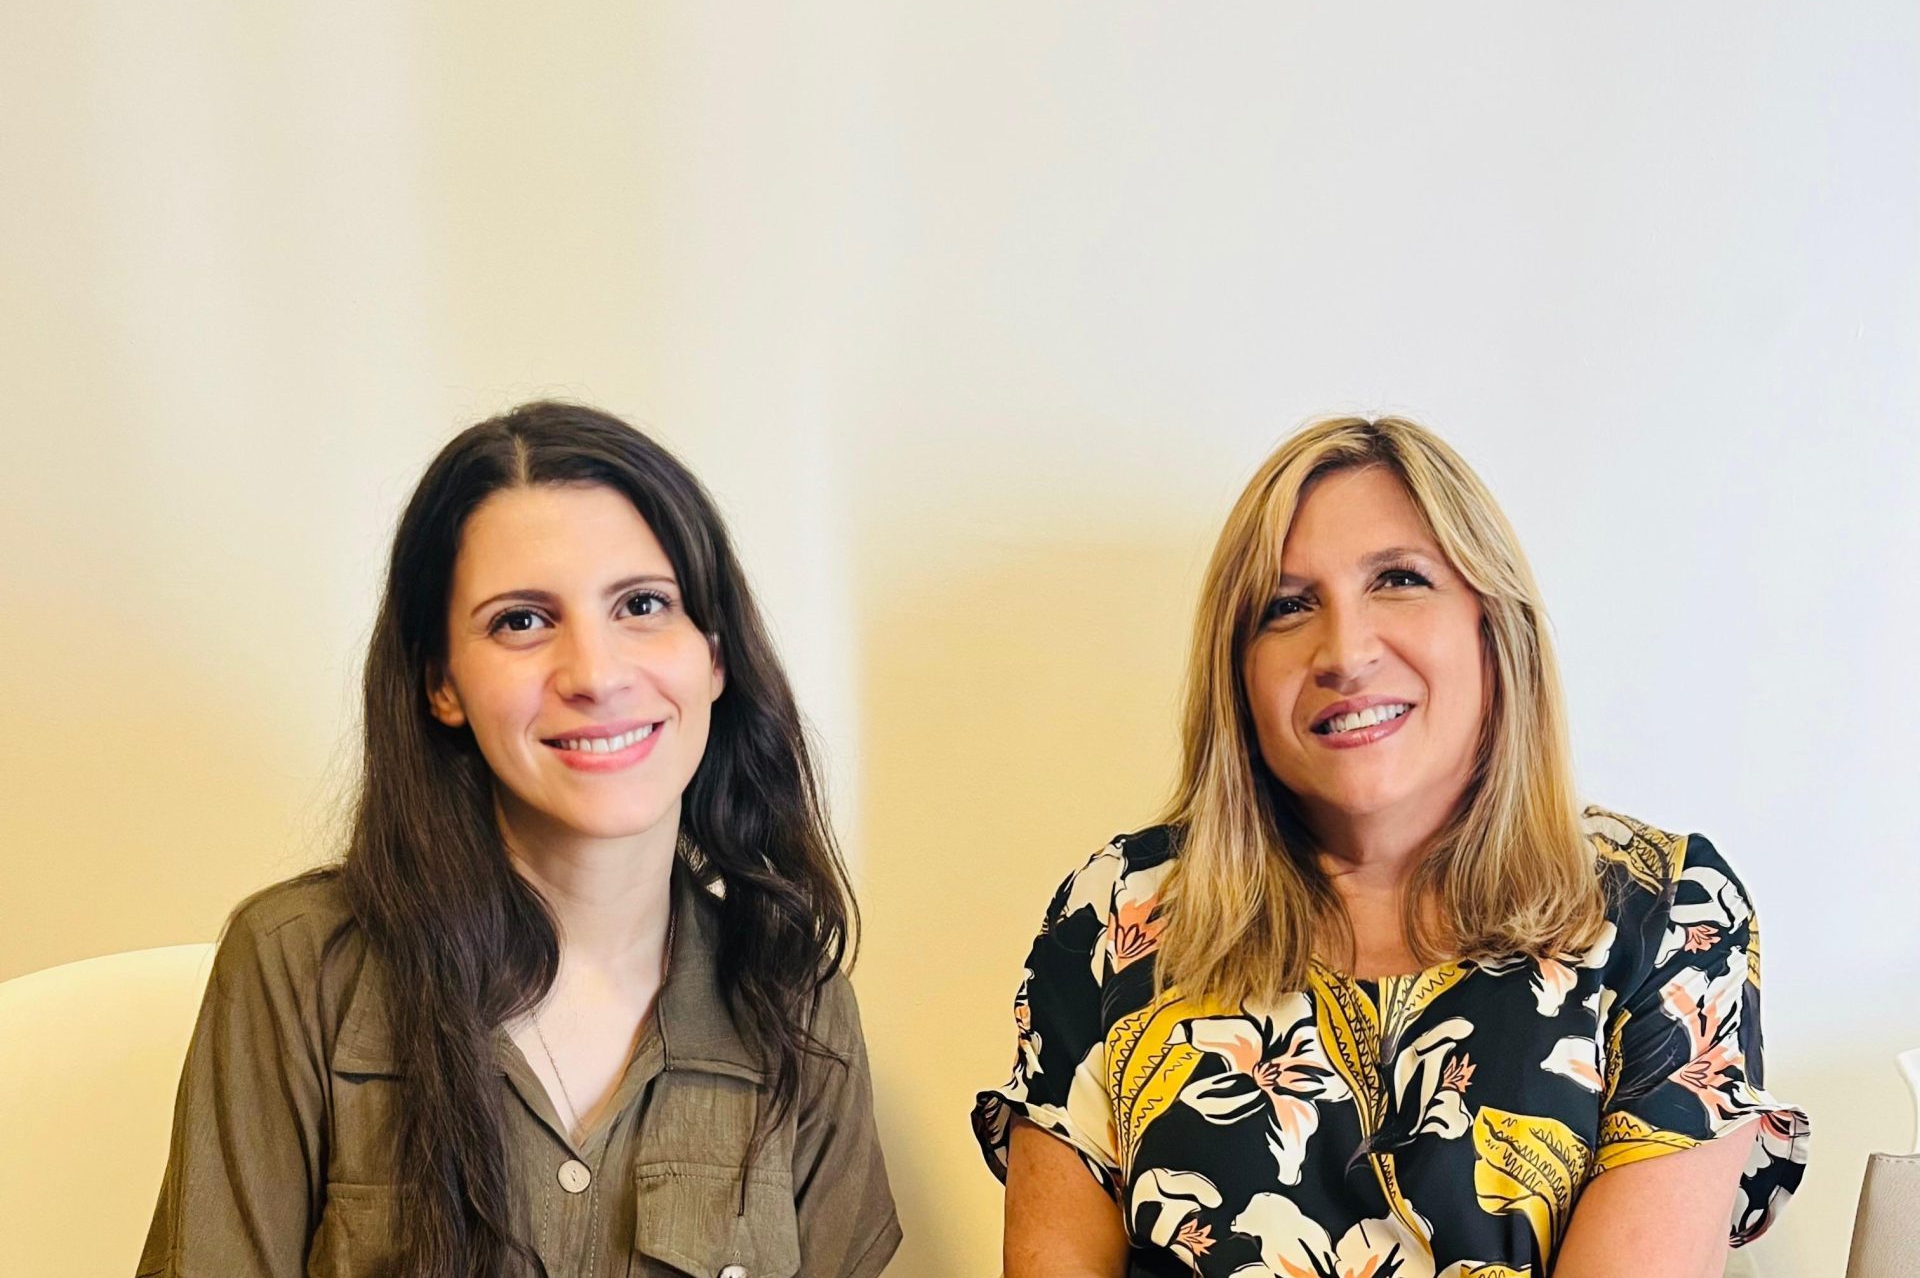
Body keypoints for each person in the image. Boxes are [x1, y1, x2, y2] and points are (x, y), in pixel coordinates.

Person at [974, 416, 1809, 1277]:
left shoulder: (1665, 913)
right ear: (1238, 671)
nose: (1344, 651)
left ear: (1493, 625)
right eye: (1287, 606)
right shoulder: (1118, 914)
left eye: (1399, 580)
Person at [139, 401, 900, 1278]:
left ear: (715, 655)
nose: (595, 674)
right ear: (441, 682)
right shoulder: (296, 967)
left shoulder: (798, 1002)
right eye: (522, 621)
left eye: (643, 604)